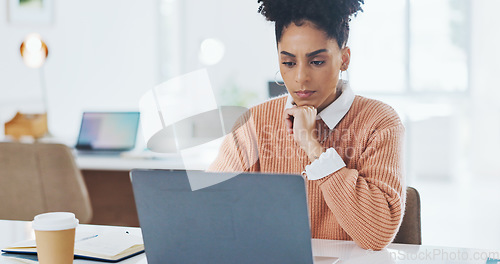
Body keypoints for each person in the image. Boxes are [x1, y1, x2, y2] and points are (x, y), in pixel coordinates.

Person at [208, 0, 405, 251]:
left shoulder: (379, 122)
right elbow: (210, 211)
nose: (301, 77)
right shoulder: (254, 123)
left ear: (344, 59)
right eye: (289, 63)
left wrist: (313, 147)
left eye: (317, 62)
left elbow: (377, 234)